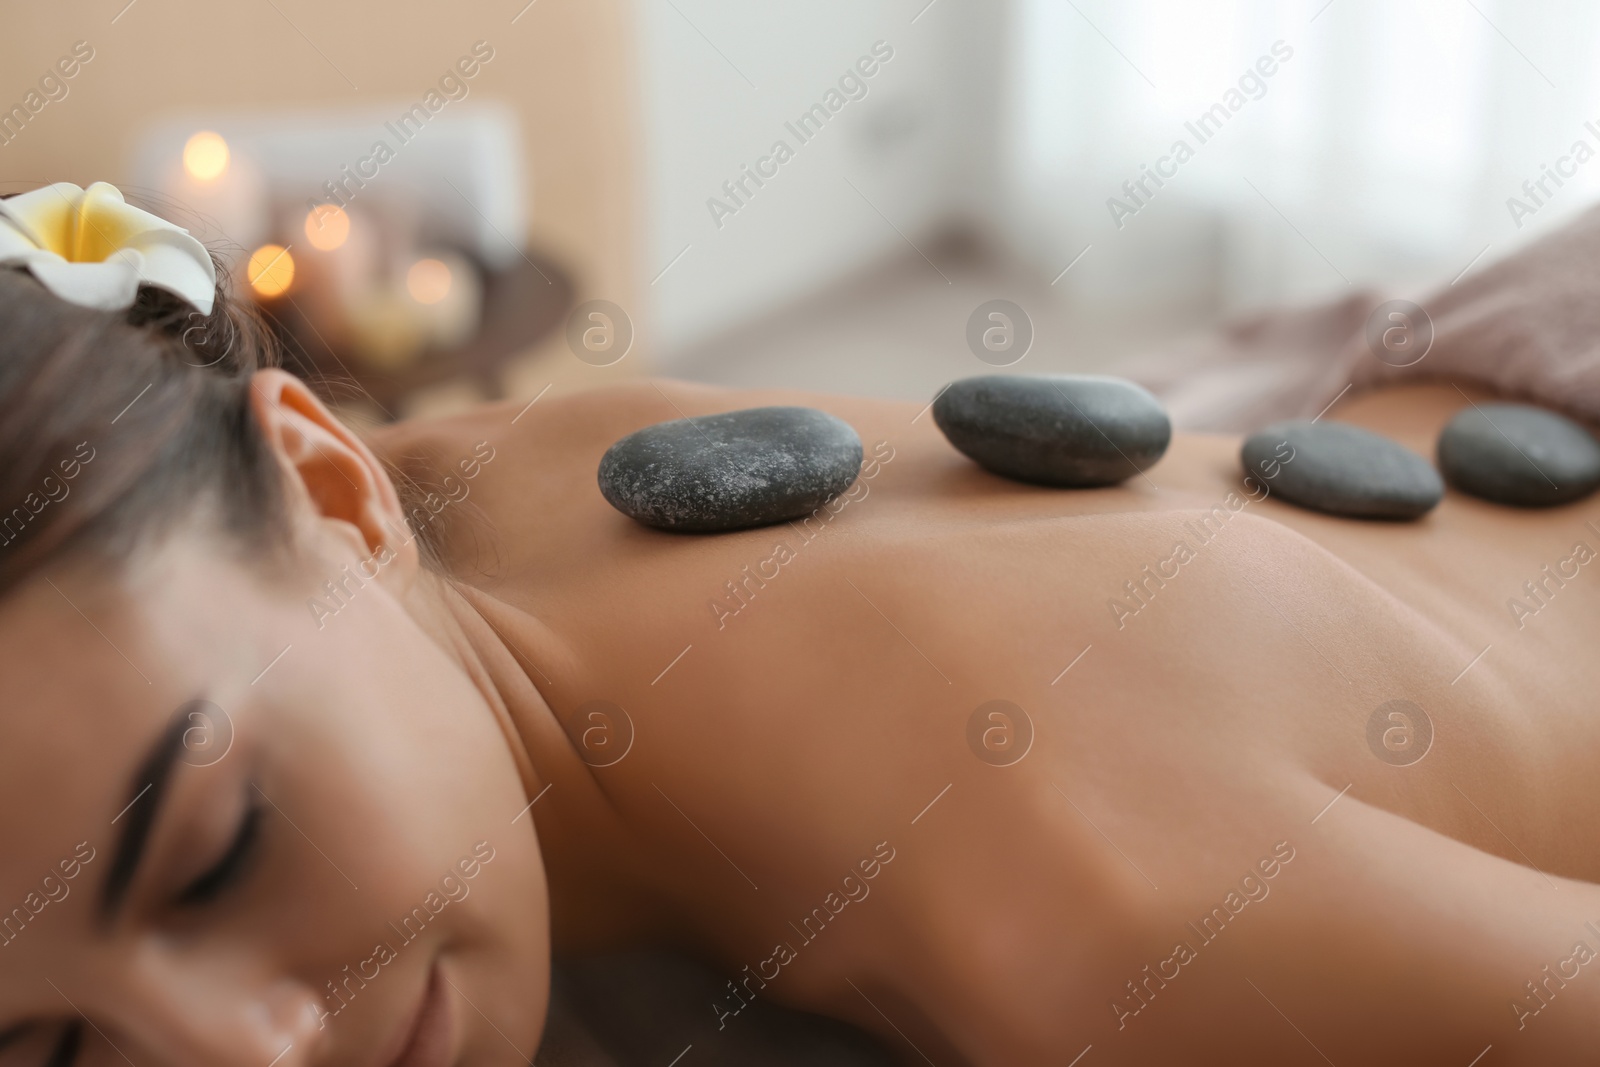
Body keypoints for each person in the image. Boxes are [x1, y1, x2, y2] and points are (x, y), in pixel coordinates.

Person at [1, 182, 1598, 1066]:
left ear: (331, 489)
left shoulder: (1084, 924)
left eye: (217, 850)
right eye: (66, 1059)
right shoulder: (429, 495)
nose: (256, 1056)